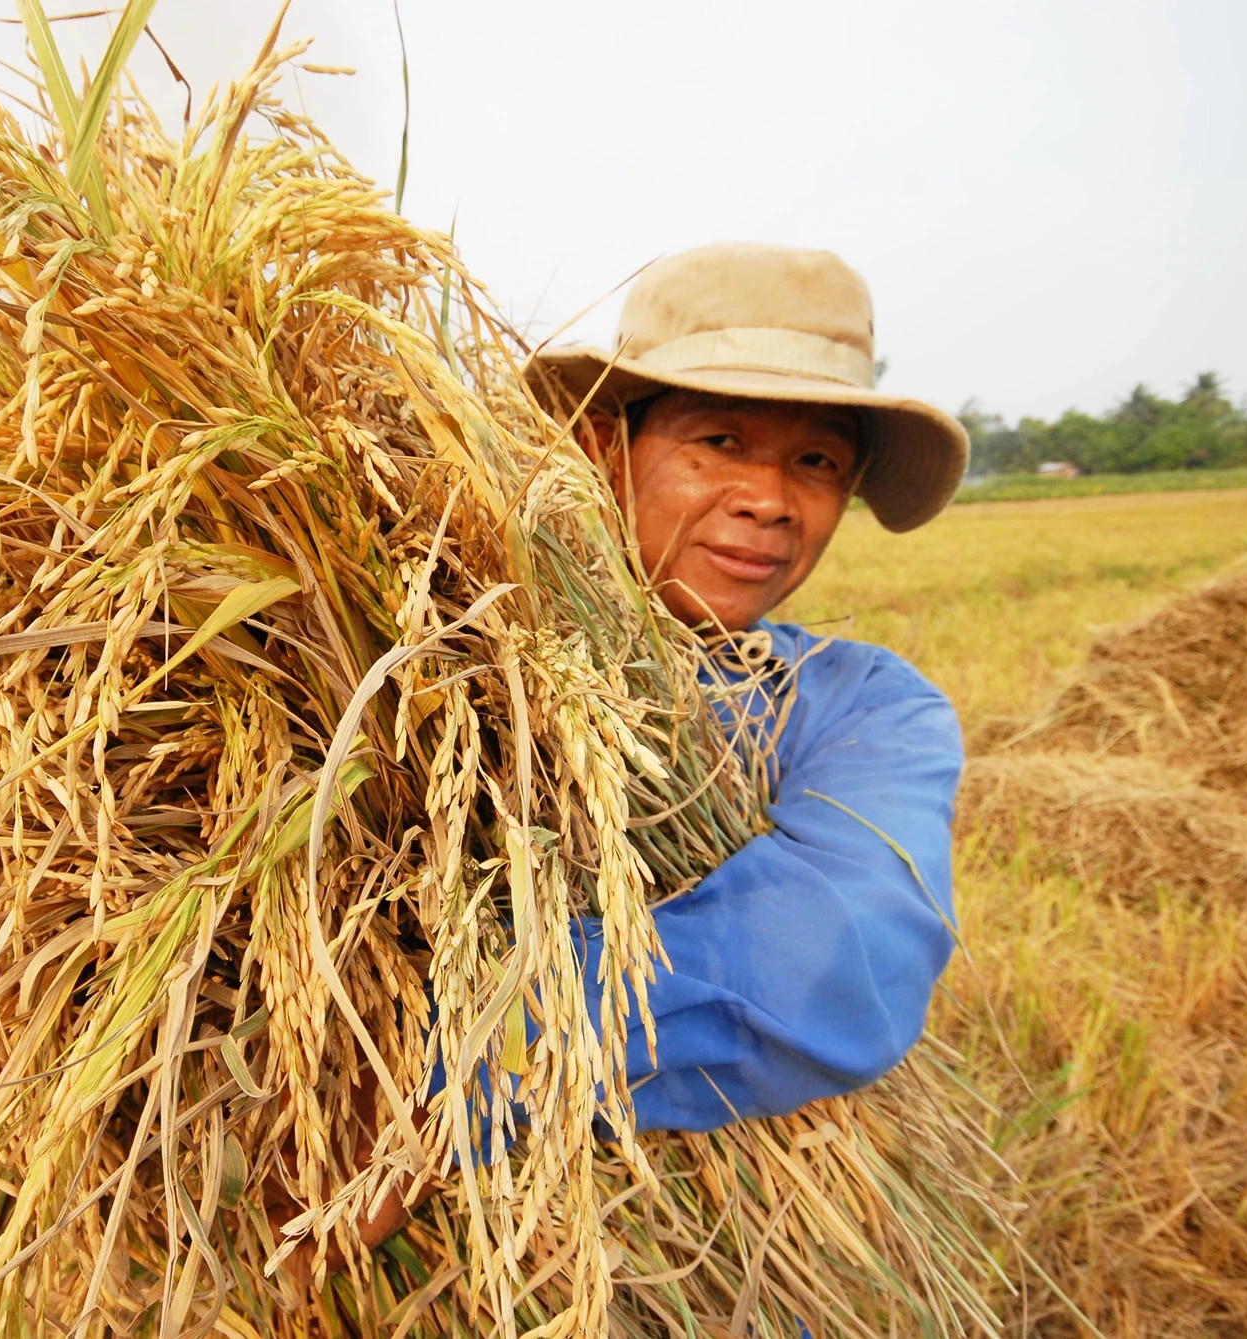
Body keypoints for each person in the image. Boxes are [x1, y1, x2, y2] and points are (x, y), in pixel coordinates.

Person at [346, 240, 970, 1252]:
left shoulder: (862, 709)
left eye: (814, 461)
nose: (769, 498)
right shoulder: (439, 655)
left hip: (730, 1272)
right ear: (604, 448)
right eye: (719, 440)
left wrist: (452, 1076)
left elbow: (832, 954)